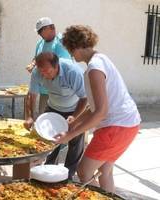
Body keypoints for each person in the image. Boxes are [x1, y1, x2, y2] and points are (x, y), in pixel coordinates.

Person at [59, 25, 141, 192]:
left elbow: (100, 112)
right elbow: (95, 106)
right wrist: (75, 122)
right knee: (105, 172)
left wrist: (70, 135)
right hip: (127, 124)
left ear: (76, 46)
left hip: (117, 126)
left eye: (70, 50)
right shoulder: (101, 59)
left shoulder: (95, 68)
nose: (71, 55)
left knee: (84, 171)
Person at [24, 52, 87, 180]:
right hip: (53, 107)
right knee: (50, 140)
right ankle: (49, 172)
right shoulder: (38, 72)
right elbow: (32, 95)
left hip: (75, 109)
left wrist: (75, 117)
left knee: (75, 143)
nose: (44, 75)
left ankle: (68, 176)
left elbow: (84, 98)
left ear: (57, 66)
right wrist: (30, 116)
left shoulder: (72, 72)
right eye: (41, 72)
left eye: (47, 72)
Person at [26, 17, 71, 115]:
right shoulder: (40, 43)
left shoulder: (60, 42)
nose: (39, 34)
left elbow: (62, 66)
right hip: (44, 90)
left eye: (40, 31)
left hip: (59, 91)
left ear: (50, 28)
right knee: (44, 119)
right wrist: (33, 64)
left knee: (60, 120)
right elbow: (37, 58)